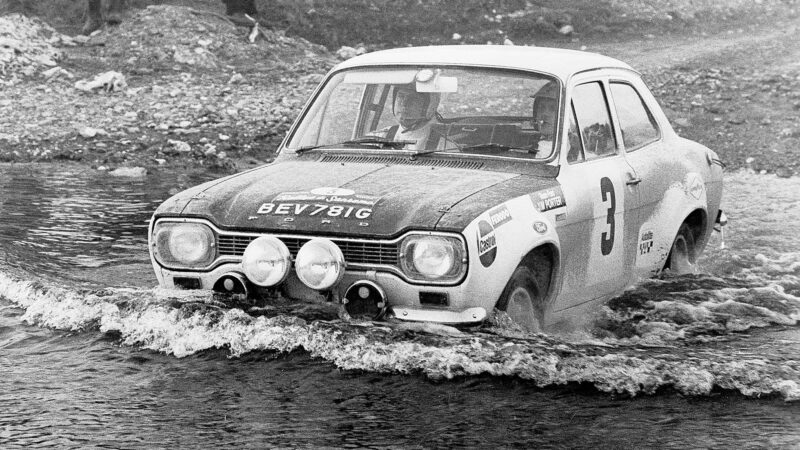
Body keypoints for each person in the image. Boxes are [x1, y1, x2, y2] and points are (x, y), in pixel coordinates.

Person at [381, 85, 441, 150]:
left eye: (413, 98)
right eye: (401, 96)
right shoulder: (379, 137)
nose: (404, 103)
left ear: (430, 106)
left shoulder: (443, 145)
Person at [531, 81, 558, 153]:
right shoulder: (535, 142)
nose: (545, 113)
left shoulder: (568, 147)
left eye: (553, 108)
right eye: (541, 108)